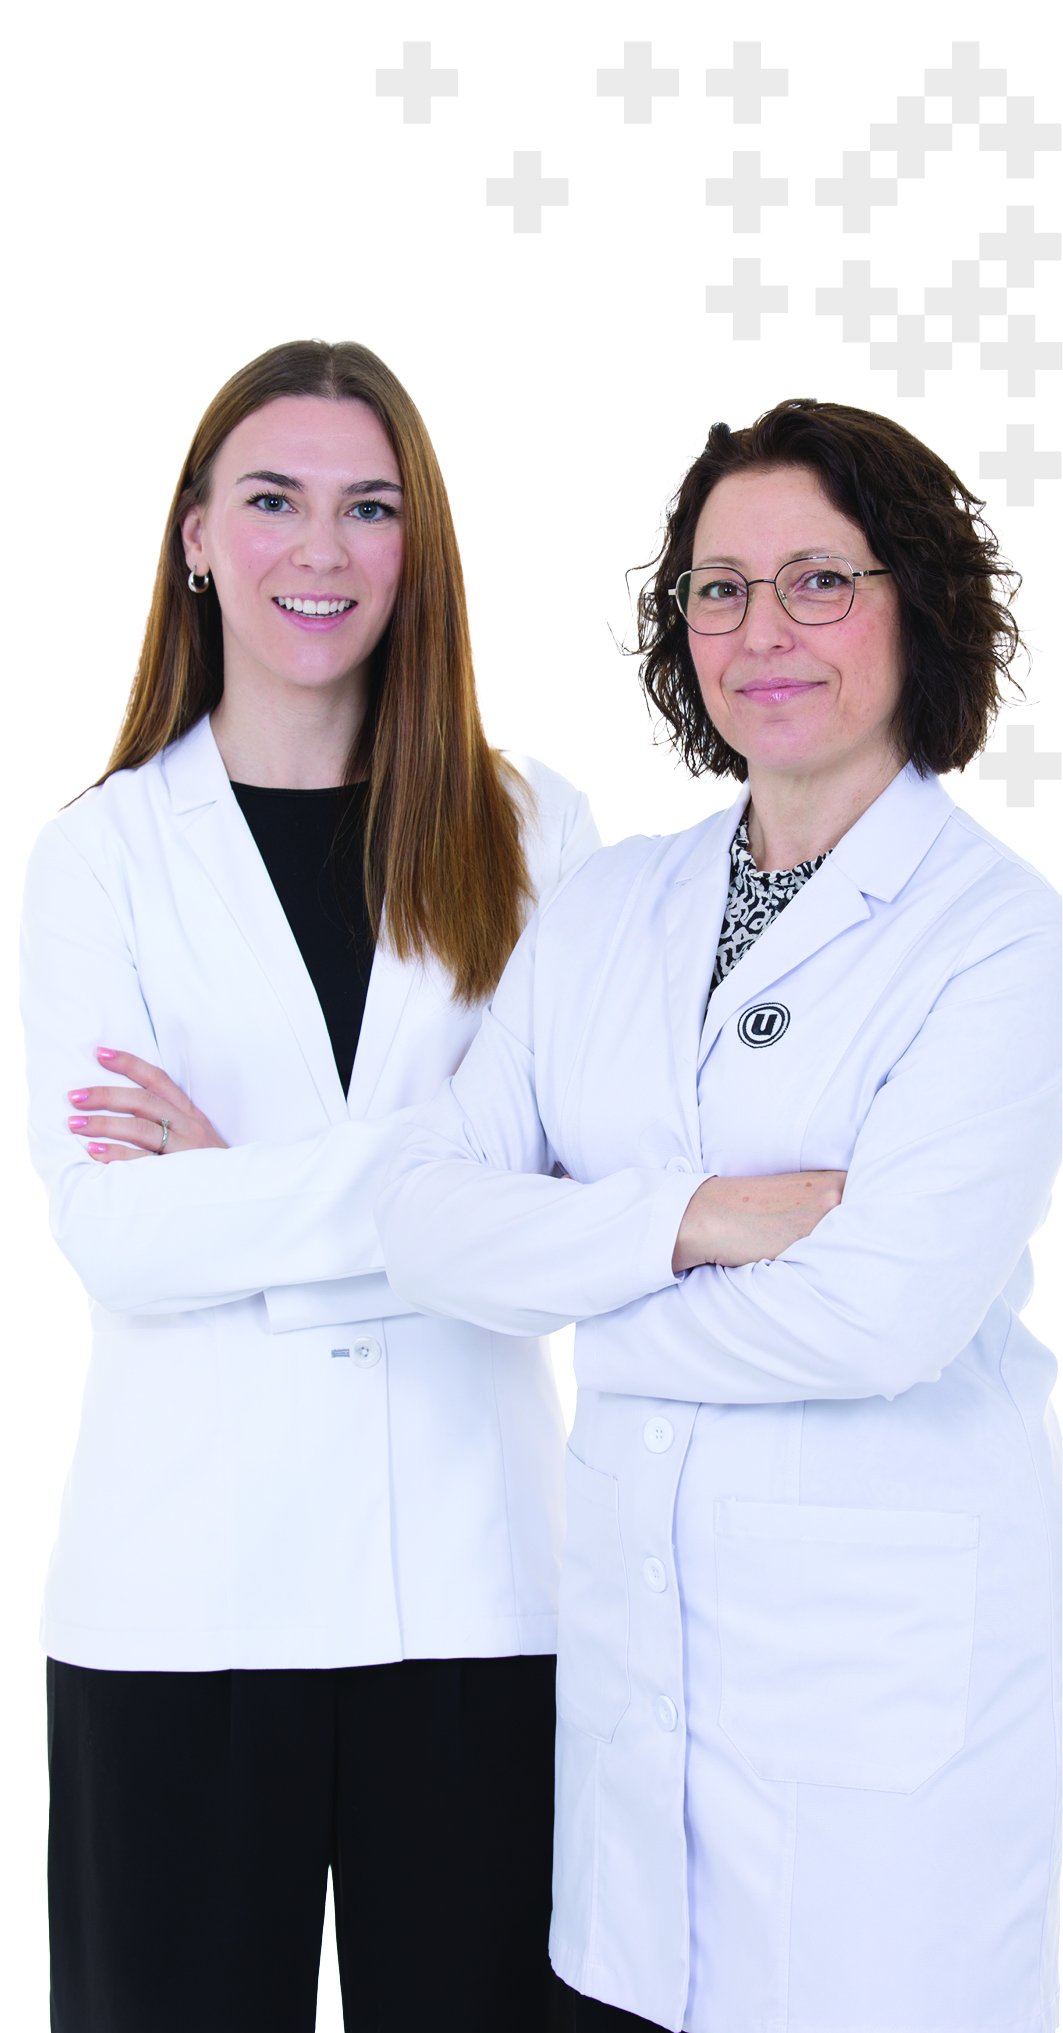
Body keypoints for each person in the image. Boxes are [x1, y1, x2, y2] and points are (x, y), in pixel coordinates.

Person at [377, 398, 1062, 2033]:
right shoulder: (609, 907)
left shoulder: (995, 939)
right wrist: (688, 1219)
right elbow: (422, 1216)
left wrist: (584, 1309)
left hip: (881, 1724)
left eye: (818, 581)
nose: (761, 631)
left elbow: (879, 1317)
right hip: (638, 1710)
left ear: (916, 605)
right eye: (717, 588)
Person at [19, 338, 599, 2033]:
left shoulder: (531, 832)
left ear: (420, 547)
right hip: (181, 1604)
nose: (320, 550)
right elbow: (116, 1236)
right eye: (273, 500)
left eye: (371, 507)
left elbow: (569, 1223)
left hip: (479, 1599)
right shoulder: (101, 855)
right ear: (197, 534)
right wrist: (446, 1188)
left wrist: (247, 1194)